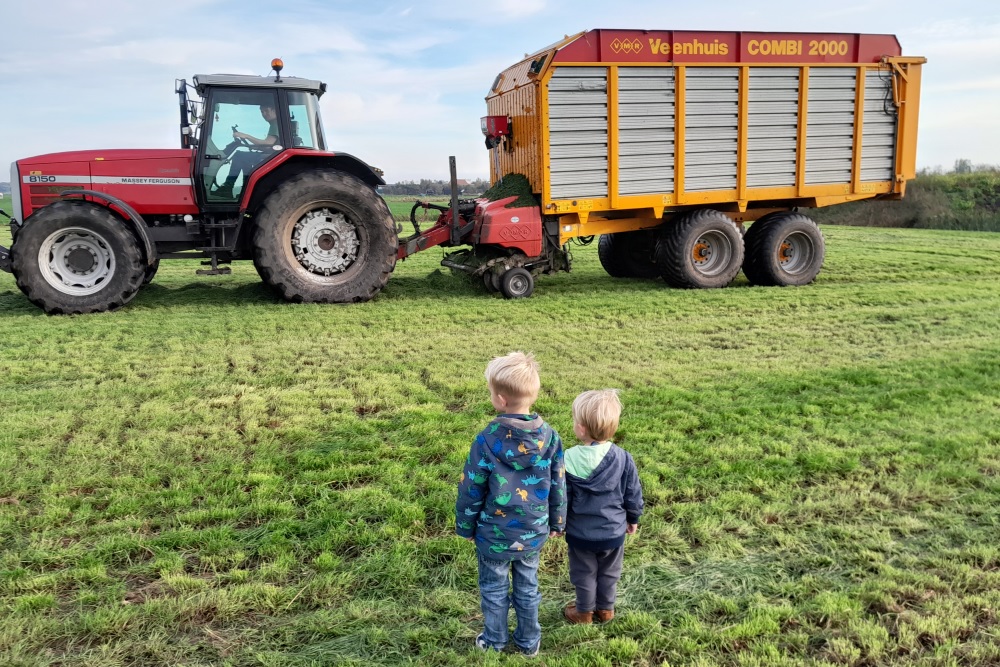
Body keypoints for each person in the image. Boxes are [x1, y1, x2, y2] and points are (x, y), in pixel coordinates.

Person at [455, 351, 566, 656]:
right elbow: (559, 483)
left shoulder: (486, 440)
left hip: (493, 536)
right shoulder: (551, 438)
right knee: (528, 588)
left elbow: (471, 487)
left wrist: (465, 527)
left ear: (501, 400)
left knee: (493, 588)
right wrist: (557, 521)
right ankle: (529, 642)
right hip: (533, 533)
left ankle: (494, 640)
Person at [561, 389, 643, 625]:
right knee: (609, 572)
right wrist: (633, 517)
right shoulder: (623, 458)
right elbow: (632, 492)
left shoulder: (567, 457)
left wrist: (559, 523)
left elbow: (562, 496)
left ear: (582, 429)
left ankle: (584, 613)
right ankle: (606, 610)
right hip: (613, 532)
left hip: (580, 533)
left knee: (583, 573)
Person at [214, 103, 280, 199]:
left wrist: (246, 136)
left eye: (266, 111)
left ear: (274, 110)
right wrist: (250, 145)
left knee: (239, 156)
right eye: (262, 112)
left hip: (271, 156)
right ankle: (245, 189)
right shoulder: (276, 124)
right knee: (243, 157)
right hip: (271, 154)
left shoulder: (276, 124)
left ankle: (228, 188)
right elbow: (269, 146)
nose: (264, 114)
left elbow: (268, 144)